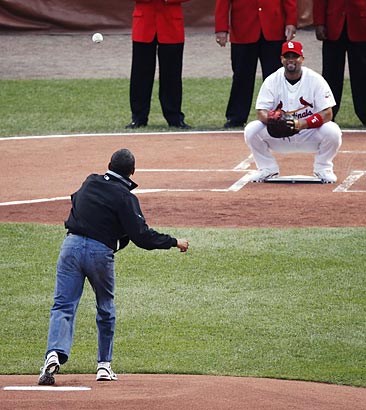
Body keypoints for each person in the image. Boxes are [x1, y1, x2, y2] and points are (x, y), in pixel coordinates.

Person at [38, 149, 189, 385]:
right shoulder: (125, 197)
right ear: (132, 171)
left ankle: (53, 353)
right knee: (105, 308)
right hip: (99, 253)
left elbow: (76, 200)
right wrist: (173, 242)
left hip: (70, 247)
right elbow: (142, 236)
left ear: (108, 164)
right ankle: (103, 366)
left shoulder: (90, 182)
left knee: (63, 305)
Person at [244, 41, 342, 183]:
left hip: (309, 134)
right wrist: (273, 119)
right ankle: (267, 168)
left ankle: (323, 168)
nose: (291, 60)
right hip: (280, 137)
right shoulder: (272, 80)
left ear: (302, 58)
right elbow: (261, 112)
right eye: (287, 56)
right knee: (252, 129)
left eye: (295, 56)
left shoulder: (315, 80)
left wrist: (301, 123)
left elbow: (327, 113)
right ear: (281, 59)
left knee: (333, 130)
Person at [215, 0, 297, 129]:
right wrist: (221, 28)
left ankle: (281, 114)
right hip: (243, 28)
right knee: (241, 76)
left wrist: (291, 21)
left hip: (274, 28)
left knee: (276, 78)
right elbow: (223, 2)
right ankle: (236, 117)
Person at [125, 0, 191, 129]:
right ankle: (138, 117)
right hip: (144, 23)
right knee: (140, 74)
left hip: (171, 24)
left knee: (172, 74)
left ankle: (174, 117)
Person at [313, 0, 366, 126]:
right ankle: (328, 113)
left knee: (363, 74)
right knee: (330, 74)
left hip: (361, 24)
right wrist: (319, 22)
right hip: (333, 24)